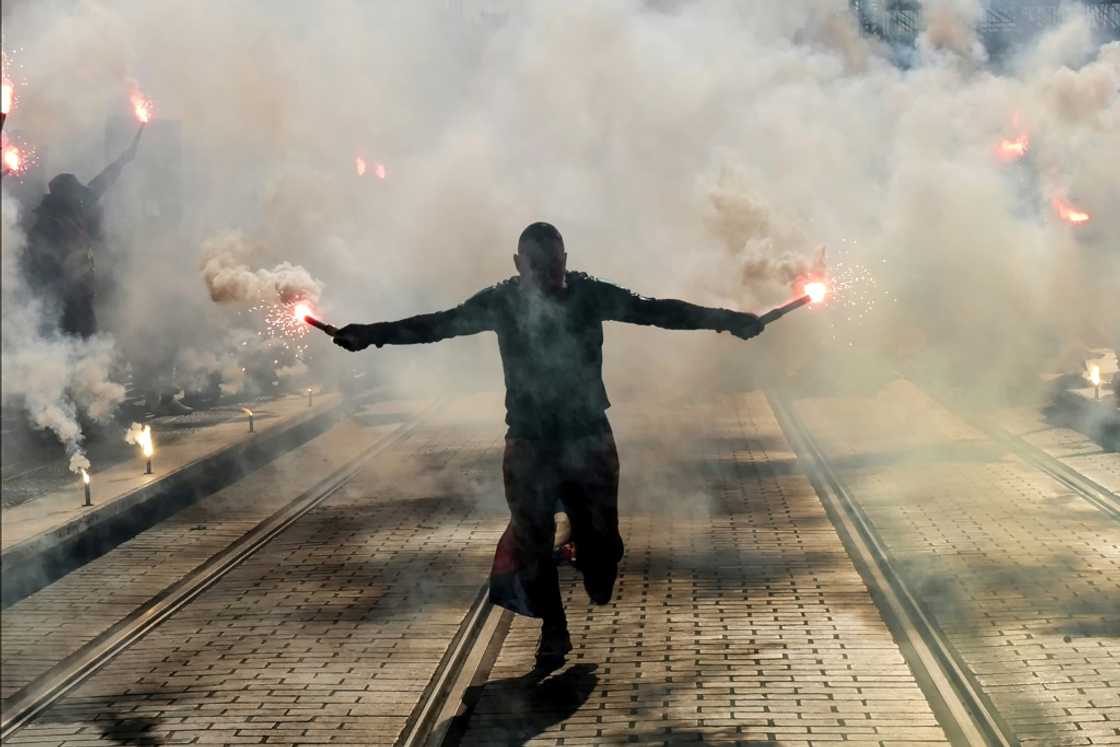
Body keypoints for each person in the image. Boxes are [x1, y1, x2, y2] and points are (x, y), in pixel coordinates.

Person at [332, 222, 764, 671]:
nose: (550, 275)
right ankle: (553, 629)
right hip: (529, 441)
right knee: (531, 542)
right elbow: (436, 326)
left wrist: (727, 320)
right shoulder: (501, 301)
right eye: (538, 266)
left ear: (566, 260)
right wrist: (371, 333)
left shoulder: (588, 293)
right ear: (519, 265)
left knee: (601, 559)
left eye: (556, 264)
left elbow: (655, 311)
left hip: (588, 437)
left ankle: (593, 558)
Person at [24, 126, 143, 339]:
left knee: (85, 334)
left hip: (82, 285)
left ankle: (87, 365)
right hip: (60, 289)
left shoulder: (77, 206)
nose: (78, 194)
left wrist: (124, 159)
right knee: (65, 334)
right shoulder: (47, 221)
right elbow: (37, 259)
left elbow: (103, 180)